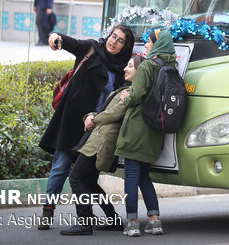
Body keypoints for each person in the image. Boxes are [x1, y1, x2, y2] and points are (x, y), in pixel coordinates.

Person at [37, 25, 135, 230]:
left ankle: (88, 216)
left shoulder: (124, 67)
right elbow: (69, 42)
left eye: (120, 41)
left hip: (98, 127)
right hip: (73, 121)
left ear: (125, 46)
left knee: (87, 175)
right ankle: (48, 210)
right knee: (61, 166)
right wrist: (55, 37)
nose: (113, 42)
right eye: (113, 36)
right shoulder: (92, 49)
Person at [60, 55, 145, 236]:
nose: (125, 69)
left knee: (76, 178)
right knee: (89, 182)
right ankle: (113, 220)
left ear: (140, 71)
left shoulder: (131, 93)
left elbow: (115, 114)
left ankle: (84, 223)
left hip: (101, 142)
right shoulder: (124, 89)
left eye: (130, 66)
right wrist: (89, 116)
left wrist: (94, 120)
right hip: (99, 138)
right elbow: (106, 110)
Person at [115, 29, 176, 237]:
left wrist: (126, 98)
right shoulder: (170, 67)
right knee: (144, 177)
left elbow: (137, 94)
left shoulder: (148, 65)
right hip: (154, 131)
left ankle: (132, 222)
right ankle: (154, 221)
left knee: (131, 177)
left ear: (156, 45)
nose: (146, 45)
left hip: (137, 130)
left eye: (148, 42)